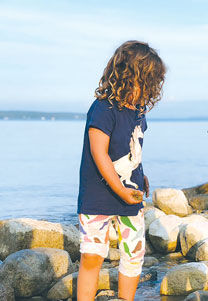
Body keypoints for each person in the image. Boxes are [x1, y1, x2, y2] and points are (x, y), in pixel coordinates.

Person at [76, 40, 166, 301]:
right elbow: (99, 152)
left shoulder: (138, 112)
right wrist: (119, 189)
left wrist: (141, 174)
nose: (149, 90)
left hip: (130, 192)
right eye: (146, 83)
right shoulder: (103, 108)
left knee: (134, 253)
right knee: (92, 255)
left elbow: (132, 148)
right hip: (97, 197)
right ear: (126, 77)